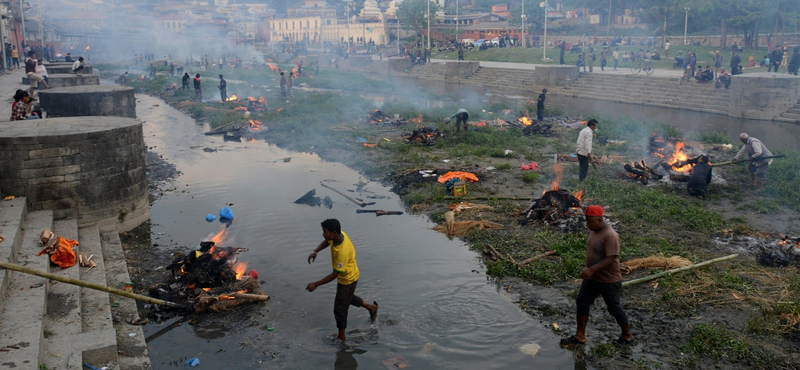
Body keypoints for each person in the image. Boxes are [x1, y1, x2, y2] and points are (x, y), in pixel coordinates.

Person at [560, 205, 632, 347]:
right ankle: (579, 336)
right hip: (592, 278)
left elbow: (611, 258)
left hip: (608, 281)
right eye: (586, 221)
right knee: (582, 302)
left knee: (614, 308)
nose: (587, 224)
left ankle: (627, 335)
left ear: (599, 220)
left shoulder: (610, 235)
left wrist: (591, 270)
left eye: (590, 221)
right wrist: (590, 271)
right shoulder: (593, 231)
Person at [306, 219, 378, 343]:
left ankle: (341, 337)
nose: (323, 234)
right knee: (346, 298)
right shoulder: (340, 235)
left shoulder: (342, 252)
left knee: (339, 309)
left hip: (347, 279)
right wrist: (315, 251)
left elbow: (335, 274)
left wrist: (316, 284)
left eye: (325, 231)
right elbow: (327, 241)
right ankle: (371, 307)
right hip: (351, 274)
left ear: (333, 233)